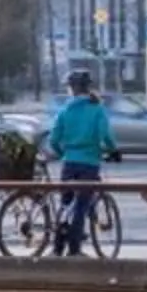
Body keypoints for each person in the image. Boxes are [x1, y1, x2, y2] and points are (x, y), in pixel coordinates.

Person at [45, 71, 119, 255]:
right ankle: (74, 250)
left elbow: (53, 140)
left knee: (66, 205)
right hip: (90, 163)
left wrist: (65, 153)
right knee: (80, 207)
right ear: (88, 87)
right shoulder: (97, 109)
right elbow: (105, 135)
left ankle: (57, 247)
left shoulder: (65, 110)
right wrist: (113, 151)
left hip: (69, 164)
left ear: (72, 89)